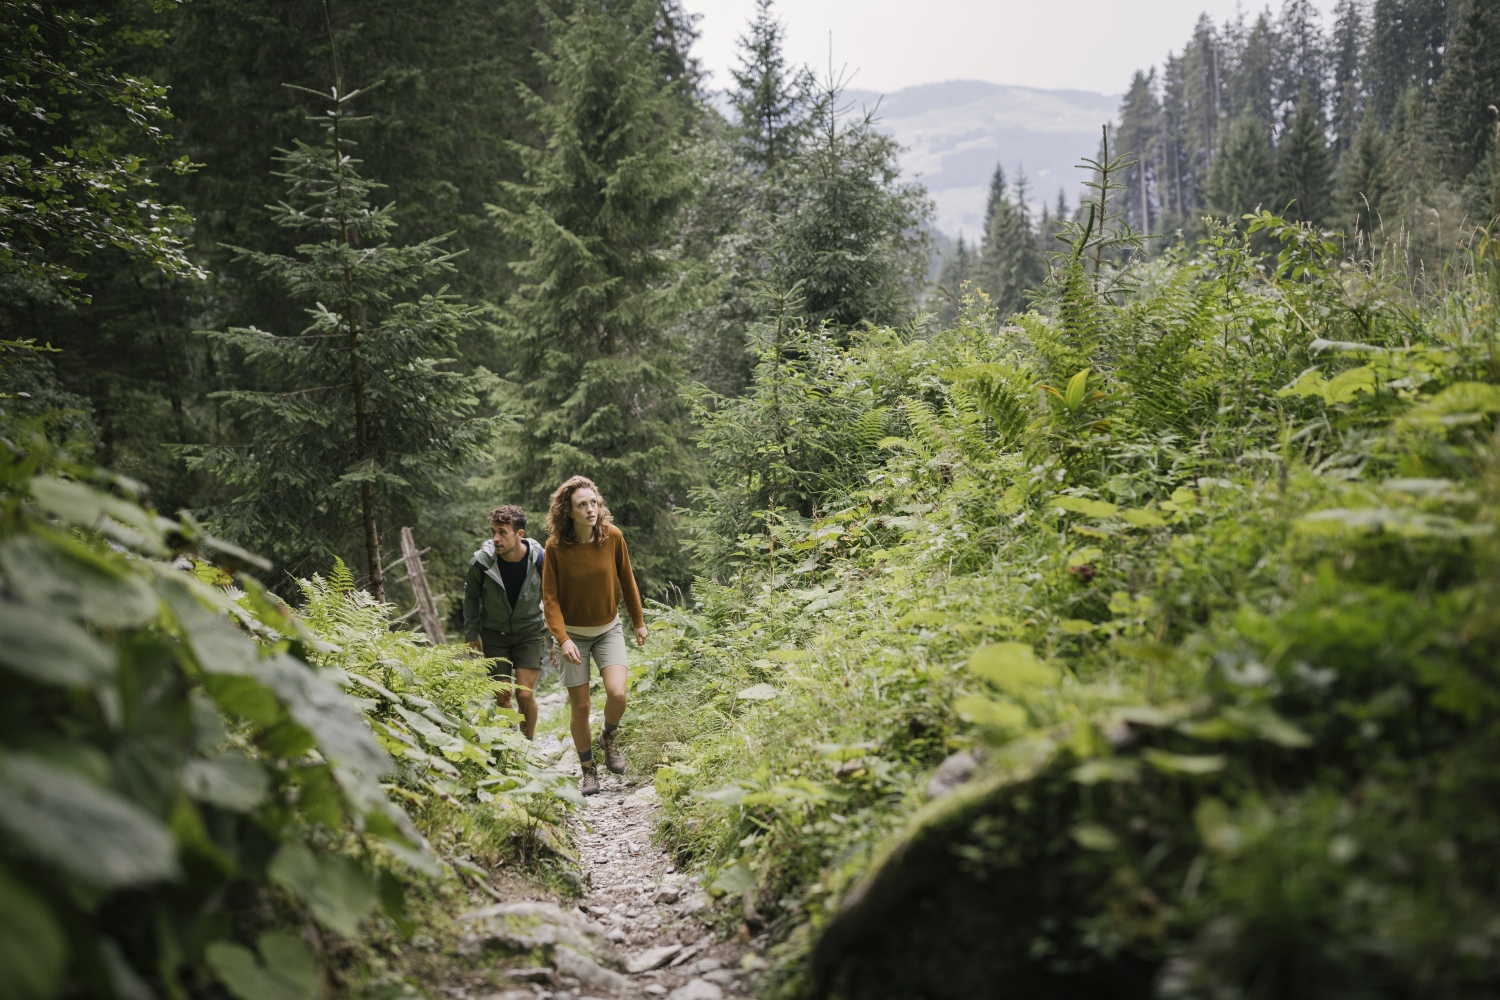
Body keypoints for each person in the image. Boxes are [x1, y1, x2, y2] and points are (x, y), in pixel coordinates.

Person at [541, 476, 647, 795]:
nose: (590, 510)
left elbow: (627, 581)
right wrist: (563, 639)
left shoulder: (612, 537)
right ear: (568, 512)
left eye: (594, 503)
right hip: (572, 636)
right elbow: (550, 599)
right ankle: (589, 771)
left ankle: (609, 736)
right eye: (582, 505)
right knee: (582, 707)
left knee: (617, 694)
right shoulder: (555, 548)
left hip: (608, 629)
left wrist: (638, 622)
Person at [462, 505, 545, 740]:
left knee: (525, 695)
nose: (496, 538)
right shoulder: (481, 563)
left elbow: (553, 597)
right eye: (493, 532)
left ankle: (527, 746)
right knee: (502, 696)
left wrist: (560, 637)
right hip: (494, 634)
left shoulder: (540, 558)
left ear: (519, 534)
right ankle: (512, 745)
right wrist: (471, 635)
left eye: (502, 532)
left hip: (530, 633)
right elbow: (471, 599)